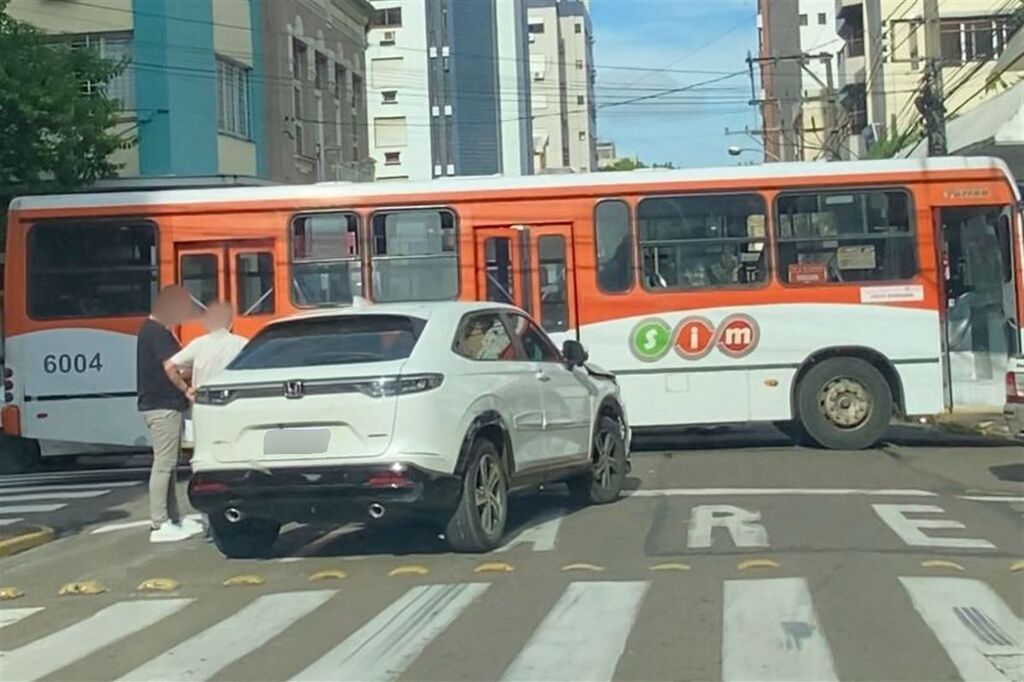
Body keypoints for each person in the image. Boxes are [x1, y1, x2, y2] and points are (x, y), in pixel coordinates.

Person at [137, 286, 203, 543]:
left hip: (163, 405)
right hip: (161, 406)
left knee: (170, 464)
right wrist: (187, 389)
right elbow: (170, 366)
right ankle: (159, 522)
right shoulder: (156, 333)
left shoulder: (153, 331)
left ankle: (174, 519)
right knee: (164, 464)